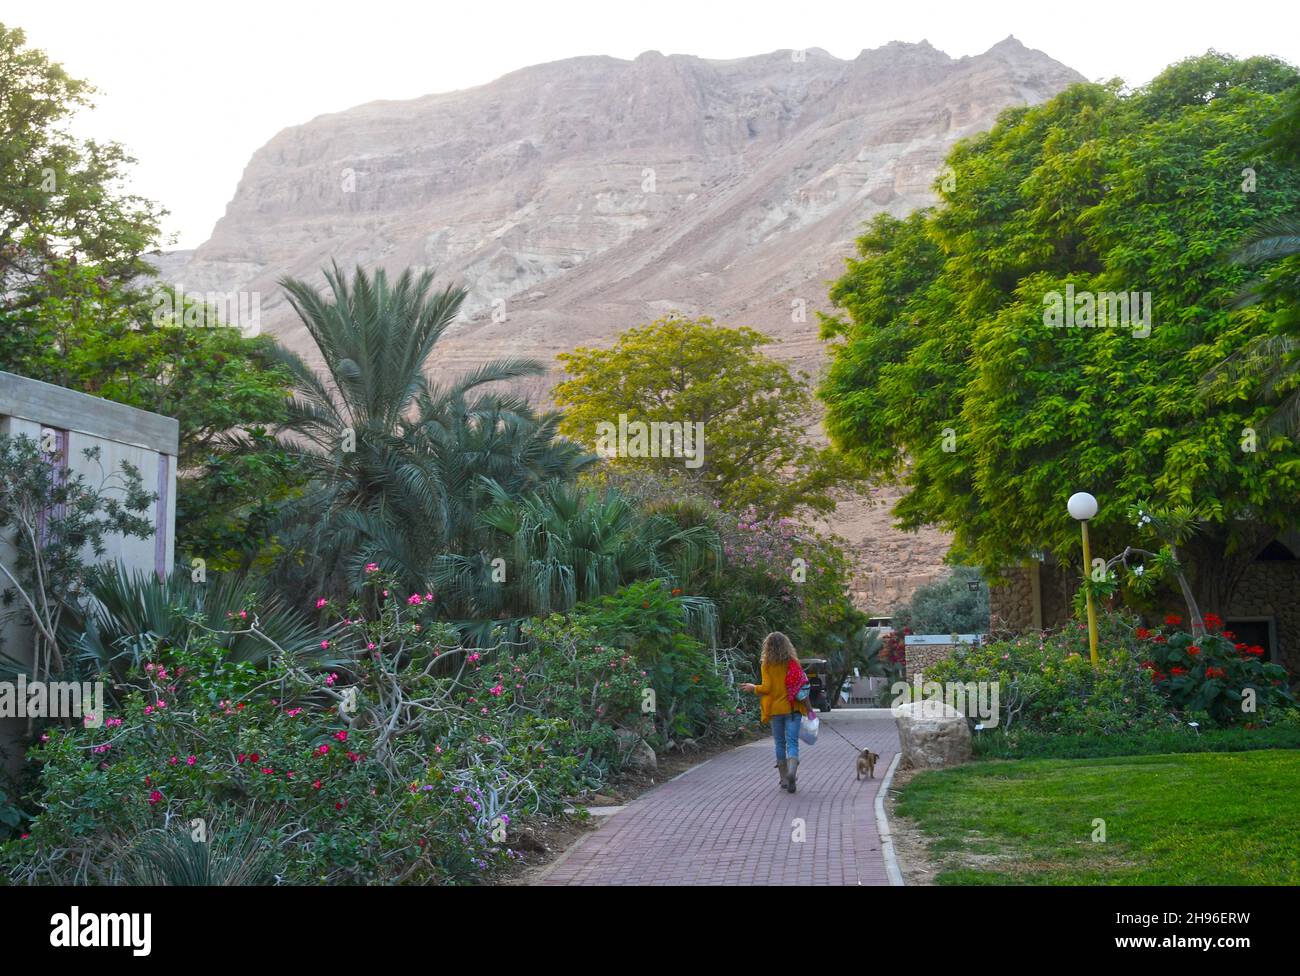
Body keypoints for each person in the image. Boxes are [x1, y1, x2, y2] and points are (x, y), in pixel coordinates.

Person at [740, 631, 810, 793]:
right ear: (787, 645)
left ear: (768, 646)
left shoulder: (766, 664)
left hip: (775, 710)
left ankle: (784, 778)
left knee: (780, 743)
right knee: (792, 742)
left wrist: (753, 688)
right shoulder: (793, 662)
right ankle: (792, 771)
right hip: (793, 708)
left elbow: (767, 688)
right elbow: (802, 685)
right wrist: (809, 708)